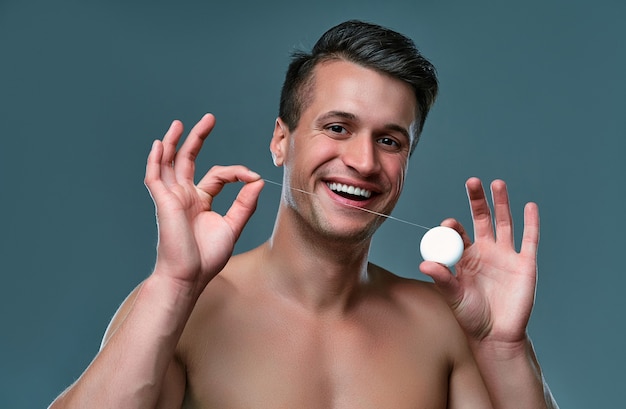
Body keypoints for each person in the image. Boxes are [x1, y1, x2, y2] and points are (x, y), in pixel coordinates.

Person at [50, 20, 558, 408]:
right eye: (337, 127)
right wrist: (174, 285)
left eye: (389, 140)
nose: (363, 162)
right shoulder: (188, 310)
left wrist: (503, 347)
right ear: (280, 140)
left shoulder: (442, 327)